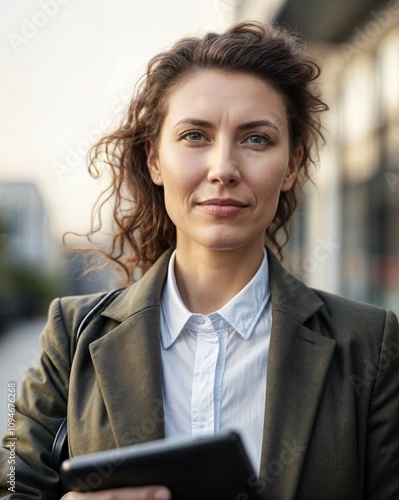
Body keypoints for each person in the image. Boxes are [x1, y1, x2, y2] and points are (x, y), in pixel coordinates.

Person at [1, 21, 398, 500]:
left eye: (256, 139)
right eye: (195, 136)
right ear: (153, 160)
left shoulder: (370, 345)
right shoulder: (69, 335)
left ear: (291, 164)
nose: (223, 169)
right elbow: (14, 483)